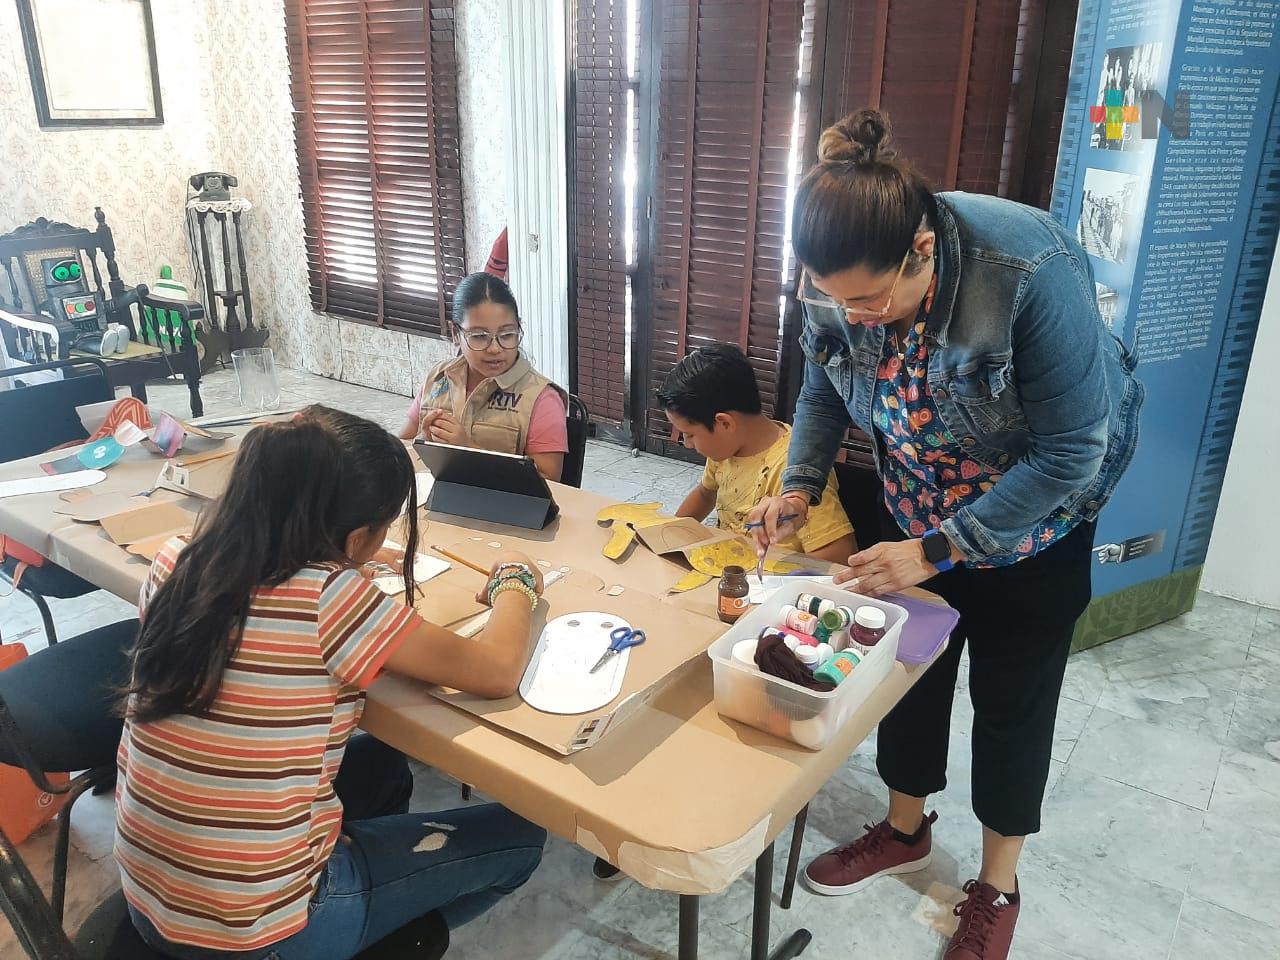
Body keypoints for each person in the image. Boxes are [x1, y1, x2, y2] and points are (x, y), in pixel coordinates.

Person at [748, 110, 1142, 960]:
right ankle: (903, 830)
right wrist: (799, 486)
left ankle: (997, 886)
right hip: (917, 503)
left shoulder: (1022, 267)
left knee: (1011, 701)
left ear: (922, 249)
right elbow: (822, 390)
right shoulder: (837, 282)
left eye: (867, 299)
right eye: (831, 298)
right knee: (909, 673)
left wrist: (935, 549)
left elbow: (1076, 446)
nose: (851, 318)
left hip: (1033, 516)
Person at [117, 407, 548, 960]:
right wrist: (515, 578)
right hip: (259, 930)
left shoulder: (177, 559)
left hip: (152, 895)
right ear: (354, 537)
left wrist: (343, 563)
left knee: (386, 765)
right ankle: (358, 929)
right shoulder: (330, 600)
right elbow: (496, 671)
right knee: (522, 840)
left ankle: (364, 891)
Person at [657, 342, 855, 563]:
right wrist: (669, 536)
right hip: (731, 568)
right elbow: (706, 493)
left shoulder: (795, 469)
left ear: (724, 423)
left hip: (770, 582)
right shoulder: (726, 450)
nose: (687, 444)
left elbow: (839, 555)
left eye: (689, 434)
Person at [400, 272, 568, 482]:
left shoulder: (540, 398)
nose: (495, 349)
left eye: (507, 335)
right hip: (435, 500)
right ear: (455, 333)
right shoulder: (438, 378)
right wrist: (423, 443)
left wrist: (468, 450)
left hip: (503, 510)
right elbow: (400, 448)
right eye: (479, 337)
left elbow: (551, 484)